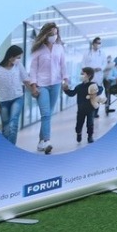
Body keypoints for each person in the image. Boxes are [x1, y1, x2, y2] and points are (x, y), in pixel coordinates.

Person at [24, 22, 66, 154]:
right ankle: (47, 140)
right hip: (42, 85)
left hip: (56, 84)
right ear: (45, 34)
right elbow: (33, 69)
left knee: (48, 115)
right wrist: (33, 86)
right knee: (45, 114)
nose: (54, 35)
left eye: (55, 33)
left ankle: (41, 142)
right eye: (51, 34)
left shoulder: (59, 48)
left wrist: (65, 80)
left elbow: (63, 65)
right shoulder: (38, 50)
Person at [0, 45, 26, 146]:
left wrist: (34, 90)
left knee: (13, 123)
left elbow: (26, 79)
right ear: (11, 56)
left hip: (17, 98)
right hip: (4, 101)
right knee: (6, 127)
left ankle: (11, 150)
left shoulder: (18, 66)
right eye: (18, 57)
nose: (19, 59)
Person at [65, 66, 104, 144]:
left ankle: (90, 136)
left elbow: (100, 89)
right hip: (81, 109)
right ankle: (78, 133)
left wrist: (95, 92)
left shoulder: (93, 85)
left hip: (91, 108)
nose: (81, 75)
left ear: (89, 76)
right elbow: (72, 93)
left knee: (90, 123)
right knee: (79, 123)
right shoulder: (79, 87)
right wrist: (66, 90)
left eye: (82, 74)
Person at [80, 38, 111, 115]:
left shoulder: (102, 53)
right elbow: (83, 63)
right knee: (89, 94)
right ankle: (89, 110)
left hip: (98, 76)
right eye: (97, 43)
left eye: (100, 43)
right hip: (89, 76)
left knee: (97, 93)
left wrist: (100, 68)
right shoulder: (87, 53)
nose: (98, 44)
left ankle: (95, 111)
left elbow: (104, 63)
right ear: (93, 44)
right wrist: (88, 70)